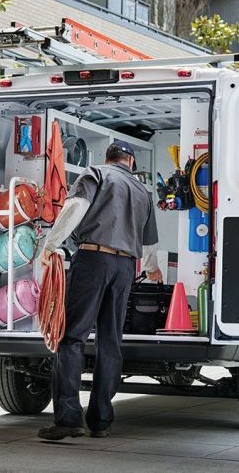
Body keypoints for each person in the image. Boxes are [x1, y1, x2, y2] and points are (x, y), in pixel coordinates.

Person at [37, 141, 162, 441]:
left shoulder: (95, 173)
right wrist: (153, 269)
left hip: (94, 259)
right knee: (110, 342)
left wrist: (51, 244)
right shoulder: (143, 191)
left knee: (72, 338)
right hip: (125, 269)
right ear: (130, 161)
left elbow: (75, 207)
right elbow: (149, 243)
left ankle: (68, 420)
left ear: (108, 158)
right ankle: (101, 421)